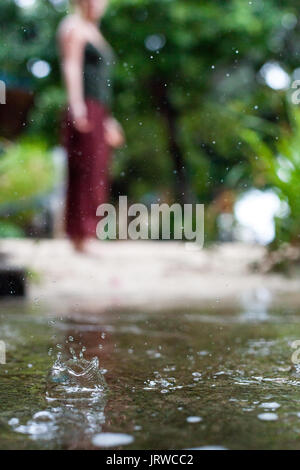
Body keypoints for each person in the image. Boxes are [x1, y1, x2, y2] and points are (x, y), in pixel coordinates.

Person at [58, 0, 124, 253]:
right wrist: (76, 105)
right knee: (83, 170)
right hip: (84, 105)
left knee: (97, 170)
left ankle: (87, 234)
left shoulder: (96, 32)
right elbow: (71, 65)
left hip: (99, 109)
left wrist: (107, 119)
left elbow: (101, 83)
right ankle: (80, 235)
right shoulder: (73, 26)